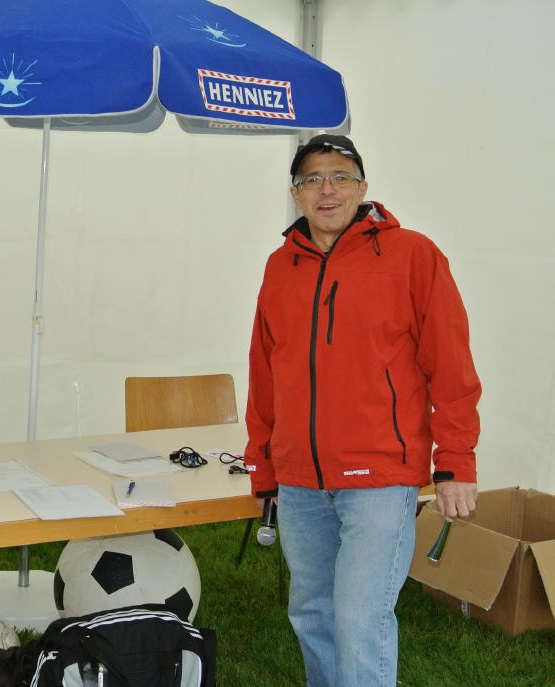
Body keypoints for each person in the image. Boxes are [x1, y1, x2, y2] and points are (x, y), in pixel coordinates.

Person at [244, 135, 480, 687]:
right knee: (312, 613)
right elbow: (265, 372)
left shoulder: (413, 255)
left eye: (340, 177)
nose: (326, 190)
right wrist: (264, 465)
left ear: (362, 187)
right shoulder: (281, 265)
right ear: (296, 194)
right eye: (312, 179)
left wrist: (456, 461)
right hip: (300, 479)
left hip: (379, 476)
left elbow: (451, 365)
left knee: (359, 618)